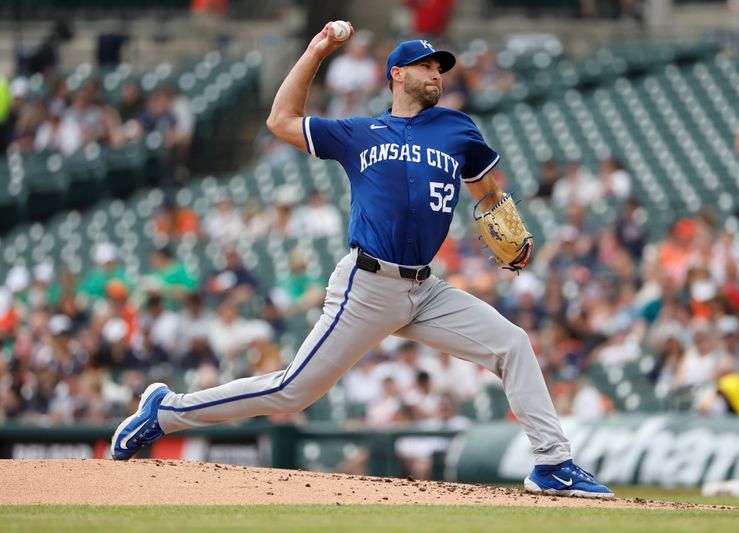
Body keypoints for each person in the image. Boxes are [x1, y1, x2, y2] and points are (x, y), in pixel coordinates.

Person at [111, 23, 613, 499]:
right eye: (425, 66)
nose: (436, 73)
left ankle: (552, 464)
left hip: (425, 290)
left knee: (513, 344)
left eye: (440, 67)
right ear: (397, 74)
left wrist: (506, 226)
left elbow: (485, 190)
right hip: (367, 285)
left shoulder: (457, 128)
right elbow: (280, 121)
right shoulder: (360, 132)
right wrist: (315, 52)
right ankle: (166, 411)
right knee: (291, 392)